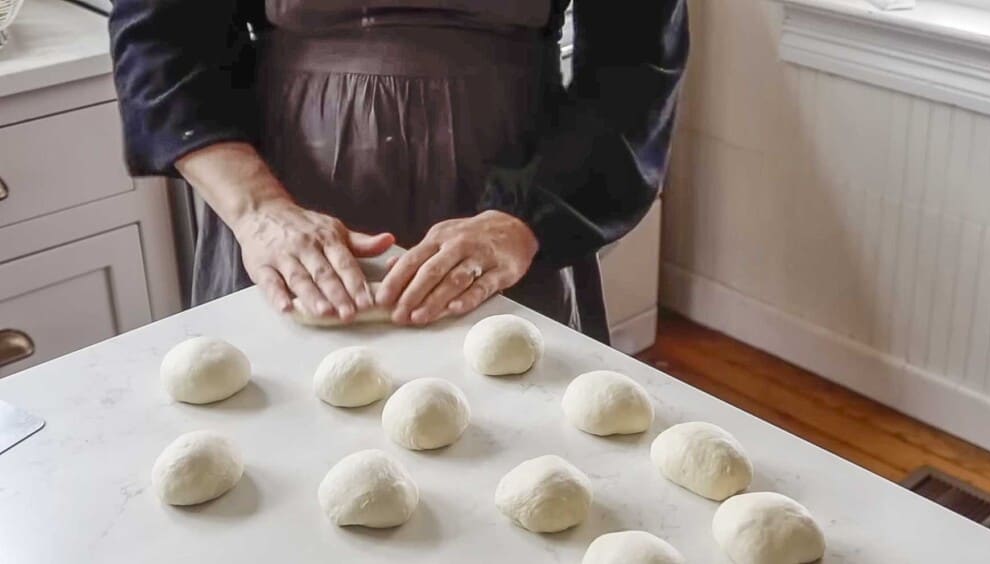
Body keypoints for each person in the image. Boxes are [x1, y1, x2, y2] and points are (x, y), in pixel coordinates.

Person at [109, 0, 689, 342]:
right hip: (282, 198)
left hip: (515, 208)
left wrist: (526, 221)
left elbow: (634, 72)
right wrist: (260, 211)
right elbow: (163, 40)